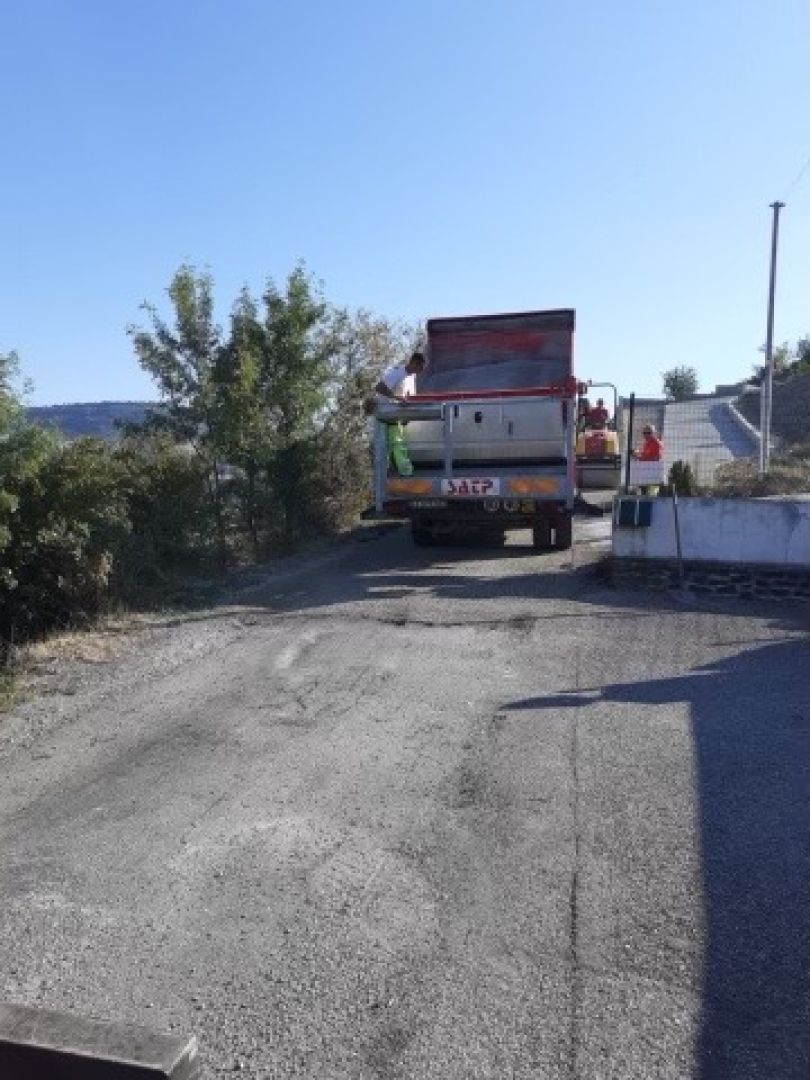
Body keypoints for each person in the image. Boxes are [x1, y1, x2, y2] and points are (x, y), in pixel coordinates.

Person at [372, 352, 427, 476]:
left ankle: (398, 472)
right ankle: (403, 473)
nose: (421, 371)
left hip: (398, 417)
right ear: (413, 362)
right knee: (394, 445)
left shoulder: (412, 378)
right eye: (420, 367)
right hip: (386, 417)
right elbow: (379, 387)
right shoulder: (397, 373)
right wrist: (396, 398)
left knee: (398, 444)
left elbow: (409, 396)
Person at [632, 424, 664, 495]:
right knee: (643, 491)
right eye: (644, 433)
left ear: (654, 433)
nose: (646, 435)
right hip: (645, 472)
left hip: (652, 473)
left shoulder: (657, 443)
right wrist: (637, 455)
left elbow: (657, 458)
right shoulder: (647, 443)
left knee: (651, 493)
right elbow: (645, 455)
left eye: (649, 433)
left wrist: (640, 458)